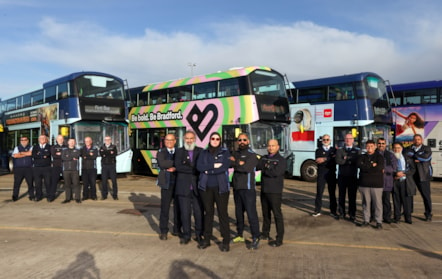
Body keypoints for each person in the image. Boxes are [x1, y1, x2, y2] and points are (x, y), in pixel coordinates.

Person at [196, 132, 231, 252]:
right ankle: (206, 239)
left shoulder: (225, 152)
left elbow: (224, 166)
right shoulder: (203, 152)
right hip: (206, 188)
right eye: (213, 138)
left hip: (221, 189)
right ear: (209, 140)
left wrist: (208, 170)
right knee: (208, 213)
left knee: (222, 214)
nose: (215, 140)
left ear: (220, 140)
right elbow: (199, 167)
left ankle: (226, 241)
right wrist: (213, 166)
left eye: (217, 139)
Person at [230, 133, 260, 250]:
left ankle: (256, 236)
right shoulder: (235, 153)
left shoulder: (252, 155)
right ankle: (239, 234)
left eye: (244, 140)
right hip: (237, 188)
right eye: (240, 140)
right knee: (238, 214)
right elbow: (230, 163)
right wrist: (239, 163)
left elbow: (246, 168)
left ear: (248, 141)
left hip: (248, 189)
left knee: (251, 214)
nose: (242, 141)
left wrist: (236, 163)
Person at [174, 131, 203, 245]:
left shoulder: (200, 151)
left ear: (195, 139)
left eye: (191, 138)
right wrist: (193, 168)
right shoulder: (179, 151)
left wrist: (187, 165)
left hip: (197, 188)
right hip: (183, 188)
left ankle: (199, 234)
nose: (189, 140)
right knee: (185, 213)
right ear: (184, 139)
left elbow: (200, 167)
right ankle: (186, 235)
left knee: (198, 213)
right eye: (187, 138)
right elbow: (178, 166)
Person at [258, 139, 287, 247]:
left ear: (278, 147)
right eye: (269, 145)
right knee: (266, 214)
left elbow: (276, 172)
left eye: (273, 146)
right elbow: (259, 166)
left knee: (277, 215)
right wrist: (267, 168)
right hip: (264, 190)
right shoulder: (264, 157)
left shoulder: (281, 160)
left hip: (275, 192)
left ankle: (279, 238)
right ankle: (265, 233)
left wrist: (266, 169)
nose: (270, 147)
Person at [156, 133, 180, 240]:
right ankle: (164, 231)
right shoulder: (161, 152)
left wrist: (175, 167)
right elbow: (162, 164)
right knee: (165, 209)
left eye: (171, 140)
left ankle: (177, 229)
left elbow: (183, 163)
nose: (169, 142)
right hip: (166, 183)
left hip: (178, 183)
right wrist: (176, 164)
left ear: (175, 141)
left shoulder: (180, 151)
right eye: (167, 140)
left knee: (178, 208)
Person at [357, 140, 384, 229]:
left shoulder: (379, 157)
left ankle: (378, 221)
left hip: (376, 184)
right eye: (368, 146)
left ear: (375, 147)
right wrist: (372, 165)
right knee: (365, 203)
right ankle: (366, 220)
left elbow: (379, 168)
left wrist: (367, 166)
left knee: (377, 204)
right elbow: (360, 166)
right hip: (364, 184)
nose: (370, 148)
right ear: (366, 147)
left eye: (371, 146)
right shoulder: (361, 157)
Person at [405, 134, 433, 221]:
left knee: (426, 196)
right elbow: (406, 156)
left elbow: (426, 158)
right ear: (413, 140)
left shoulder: (426, 148)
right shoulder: (409, 149)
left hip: (423, 175)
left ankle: (428, 213)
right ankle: (409, 211)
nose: (417, 141)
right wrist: (417, 157)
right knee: (409, 194)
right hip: (412, 175)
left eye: (418, 139)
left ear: (421, 140)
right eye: (415, 139)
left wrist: (414, 156)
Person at [335, 133, 360, 222]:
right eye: (346, 138)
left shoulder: (357, 151)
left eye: (350, 138)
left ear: (353, 140)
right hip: (342, 176)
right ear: (344, 140)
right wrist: (348, 159)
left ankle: (352, 214)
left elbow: (357, 162)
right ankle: (341, 213)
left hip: (352, 177)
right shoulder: (340, 150)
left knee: (352, 197)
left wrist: (345, 159)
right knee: (341, 196)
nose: (348, 140)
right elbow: (338, 161)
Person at [312, 134, 338, 219]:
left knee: (332, 193)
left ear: (330, 140)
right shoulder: (318, 150)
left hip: (331, 173)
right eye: (324, 140)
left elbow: (335, 160)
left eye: (327, 139)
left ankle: (333, 211)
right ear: (322, 141)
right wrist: (329, 158)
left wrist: (324, 159)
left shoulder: (334, 150)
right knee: (319, 192)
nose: (326, 141)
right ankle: (317, 210)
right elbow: (318, 161)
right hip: (321, 174)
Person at [392, 142, 417, 224]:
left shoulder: (408, 158)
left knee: (407, 201)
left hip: (406, 181)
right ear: (393, 149)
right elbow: (388, 169)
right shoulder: (391, 158)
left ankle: (408, 217)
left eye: (398, 148)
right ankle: (397, 217)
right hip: (395, 181)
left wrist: (404, 173)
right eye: (395, 148)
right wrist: (395, 173)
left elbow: (413, 169)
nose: (397, 150)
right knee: (396, 201)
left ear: (402, 149)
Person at [376, 138, 397, 224]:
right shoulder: (373, 154)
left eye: (383, 143)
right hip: (376, 181)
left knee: (386, 201)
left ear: (386, 144)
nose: (381, 145)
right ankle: (375, 216)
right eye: (379, 143)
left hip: (386, 182)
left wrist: (384, 169)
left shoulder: (390, 155)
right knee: (375, 201)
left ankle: (387, 217)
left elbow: (393, 167)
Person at [11, 136, 33, 201]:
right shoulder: (17, 147)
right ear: (20, 141)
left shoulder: (31, 147)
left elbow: (31, 153)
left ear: (28, 141)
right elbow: (15, 155)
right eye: (22, 140)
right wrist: (26, 154)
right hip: (18, 168)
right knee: (17, 183)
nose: (23, 141)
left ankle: (31, 196)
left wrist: (21, 153)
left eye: (25, 140)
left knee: (30, 183)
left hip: (29, 168)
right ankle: (15, 196)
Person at [32, 135, 52, 202]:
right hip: (37, 168)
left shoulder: (49, 146)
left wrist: (40, 154)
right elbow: (34, 155)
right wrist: (43, 155)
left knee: (48, 183)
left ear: (46, 139)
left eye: (43, 138)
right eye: (41, 138)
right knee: (37, 183)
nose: (42, 139)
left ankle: (49, 196)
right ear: (38, 139)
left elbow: (48, 154)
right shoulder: (35, 147)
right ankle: (38, 196)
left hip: (47, 167)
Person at [61, 138, 81, 203]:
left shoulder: (77, 150)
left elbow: (77, 156)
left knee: (76, 184)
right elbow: (63, 158)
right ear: (68, 143)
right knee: (67, 184)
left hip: (75, 170)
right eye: (70, 142)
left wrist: (68, 157)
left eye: (73, 142)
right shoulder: (64, 150)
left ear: (75, 143)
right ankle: (68, 198)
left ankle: (77, 198)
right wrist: (72, 157)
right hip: (66, 170)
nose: (72, 143)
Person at [100, 136, 118, 200]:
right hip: (104, 165)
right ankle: (104, 195)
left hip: (112, 165)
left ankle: (115, 195)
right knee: (104, 181)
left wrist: (106, 153)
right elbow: (102, 154)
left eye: (108, 140)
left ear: (110, 140)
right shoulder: (102, 147)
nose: (107, 141)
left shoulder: (114, 147)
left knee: (114, 181)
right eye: (106, 140)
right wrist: (109, 153)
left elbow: (114, 154)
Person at [51, 135, 66, 200]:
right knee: (54, 181)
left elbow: (68, 155)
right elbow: (54, 155)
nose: (60, 140)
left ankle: (69, 196)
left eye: (61, 139)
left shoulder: (66, 147)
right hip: (56, 166)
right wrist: (63, 154)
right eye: (59, 139)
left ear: (63, 140)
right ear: (56, 140)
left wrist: (60, 154)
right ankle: (52, 196)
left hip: (65, 166)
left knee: (68, 181)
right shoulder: (53, 147)